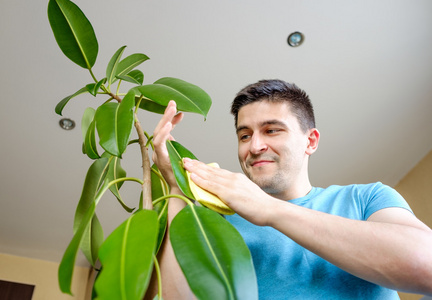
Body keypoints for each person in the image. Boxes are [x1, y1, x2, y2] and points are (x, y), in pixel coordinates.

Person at [147, 79, 432, 299]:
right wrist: (177, 189)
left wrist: (268, 209)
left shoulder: (366, 198)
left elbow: (426, 266)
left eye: (272, 130)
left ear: (310, 141)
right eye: (244, 135)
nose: (254, 146)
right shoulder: (214, 223)